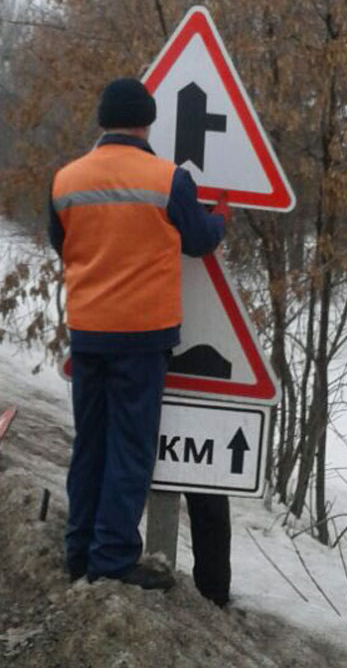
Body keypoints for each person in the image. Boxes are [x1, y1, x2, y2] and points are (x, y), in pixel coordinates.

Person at [49, 77, 226, 591]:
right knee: (130, 448)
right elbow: (197, 241)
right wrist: (220, 221)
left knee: (90, 446)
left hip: (87, 333)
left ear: (102, 120)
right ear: (147, 121)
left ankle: (78, 551)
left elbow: (62, 242)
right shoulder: (167, 179)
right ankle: (112, 558)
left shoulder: (65, 180)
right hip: (142, 336)